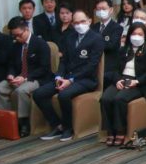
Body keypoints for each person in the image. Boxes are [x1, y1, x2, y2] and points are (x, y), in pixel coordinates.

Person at [32, 10, 105, 141]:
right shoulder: (69, 37)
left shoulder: (96, 38)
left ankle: (68, 128)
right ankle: (57, 125)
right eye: (76, 23)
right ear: (72, 24)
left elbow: (91, 66)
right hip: (66, 77)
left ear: (89, 21)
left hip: (86, 79)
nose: (79, 25)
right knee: (38, 93)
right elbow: (64, 60)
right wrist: (59, 76)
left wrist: (71, 80)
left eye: (82, 21)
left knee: (64, 95)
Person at [0, 17, 53, 136]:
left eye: (19, 35)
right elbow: (11, 64)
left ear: (26, 29)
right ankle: (8, 121)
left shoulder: (40, 44)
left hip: (36, 78)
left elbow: (44, 68)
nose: (16, 38)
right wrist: (10, 74)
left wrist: (25, 78)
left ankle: (24, 123)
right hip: (18, 77)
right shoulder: (15, 45)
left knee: (21, 90)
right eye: (14, 36)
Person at [98, 23, 146, 146]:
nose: (136, 36)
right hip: (122, 79)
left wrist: (137, 81)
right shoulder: (123, 50)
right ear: (129, 35)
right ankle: (110, 130)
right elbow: (115, 69)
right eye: (134, 34)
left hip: (138, 83)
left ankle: (120, 130)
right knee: (105, 98)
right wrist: (117, 80)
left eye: (140, 34)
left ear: (145, 36)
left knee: (119, 99)